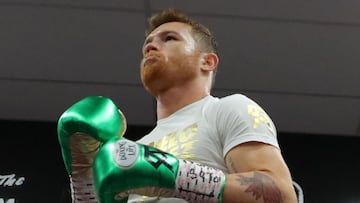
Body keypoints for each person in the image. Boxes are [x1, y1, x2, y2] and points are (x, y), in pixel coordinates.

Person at [58, 8, 298, 203]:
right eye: (147, 45)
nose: (151, 46)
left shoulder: (227, 110)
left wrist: (180, 177)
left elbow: (282, 195)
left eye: (169, 38)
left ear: (207, 61)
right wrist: (83, 183)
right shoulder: (133, 151)